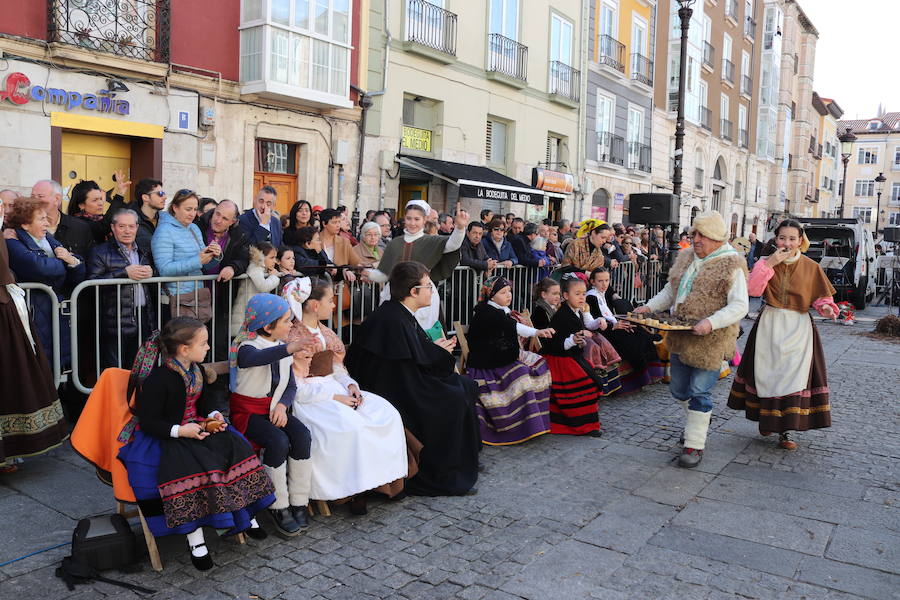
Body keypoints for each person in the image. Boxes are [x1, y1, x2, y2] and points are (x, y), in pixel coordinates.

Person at [119, 317, 274, 569]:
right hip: (169, 435)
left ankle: (245, 514)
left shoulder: (197, 370)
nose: (208, 348)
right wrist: (181, 431)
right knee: (195, 469)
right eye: (203, 343)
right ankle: (196, 540)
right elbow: (149, 422)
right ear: (184, 349)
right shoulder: (159, 379)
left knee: (238, 447)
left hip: (197, 427)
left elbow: (207, 403)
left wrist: (213, 416)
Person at [347, 261, 480, 496]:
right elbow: (402, 367)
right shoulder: (391, 318)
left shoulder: (400, 313)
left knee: (466, 385)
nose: (432, 291)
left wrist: (436, 350)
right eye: (428, 286)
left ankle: (462, 460)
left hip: (407, 379)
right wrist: (439, 353)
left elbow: (414, 351)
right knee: (455, 397)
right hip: (395, 390)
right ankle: (442, 471)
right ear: (413, 292)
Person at [283, 278, 409, 513]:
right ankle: (352, 492)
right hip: (310, 397)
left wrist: (350, 385)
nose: (334, 306)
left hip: (334, 387)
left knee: (386, 412)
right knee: (351, 426)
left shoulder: (327, 333)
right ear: (313, 305)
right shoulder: (292, 338)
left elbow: (337, 368)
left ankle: (384, 483)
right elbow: (296, 386)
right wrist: (334, 398)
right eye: (330, 300)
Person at [635, 211, 748, 468]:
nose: (695, 239)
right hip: (681, 334)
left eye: (702, 235)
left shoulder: (732, 263)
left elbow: (740, 305)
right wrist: (648, 308)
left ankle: (694, 444)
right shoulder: (687, 257)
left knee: (700, 391)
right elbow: (670, 291)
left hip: (711, 339)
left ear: (717, 238)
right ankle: (696, 422)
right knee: (679, 390)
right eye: (694, 233)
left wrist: (710, 322)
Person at [728, 220, 838, 451]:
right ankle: (766, 419)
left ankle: (785, 430)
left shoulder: (811, 267)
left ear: (800, 241)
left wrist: (826, 308)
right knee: (767, 374)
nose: (786, 243)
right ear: (775, 239)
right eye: (782, 238)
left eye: (792, 239)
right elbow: (753, 290)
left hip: (798, 327)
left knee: (792, 377)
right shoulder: (764, 263)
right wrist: (769, 264)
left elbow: (821, 298)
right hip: (770, 322)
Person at [227, 294, 315, 536]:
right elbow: (255, 360)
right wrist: (290, 348)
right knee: (278, 440)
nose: (291, 325)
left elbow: (290, 386)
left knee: (302, 436)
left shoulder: (280, 345)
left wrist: (282, 406)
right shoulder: (246, 345)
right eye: (287, 321)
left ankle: (299, 501)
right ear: (267, 326)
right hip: (248, 413)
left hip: (275, 409)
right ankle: (277, 505)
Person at [0, 195, 68, 472]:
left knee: (11, 380)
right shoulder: (11, 240)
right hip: (5, 310)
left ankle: (8, 452)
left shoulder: (8, 237)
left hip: (6, 309)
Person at [465, 276, 553, 445]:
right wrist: (537, 332)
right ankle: (516, 424)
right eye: (503, 292)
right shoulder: (486, 312)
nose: (509, 295)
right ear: (491, 295)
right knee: (522, 375)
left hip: (503, 355)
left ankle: (535, 420)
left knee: (540, 362)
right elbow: (511, 326)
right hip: (487, 363)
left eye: (509, 291)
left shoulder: (502, 310)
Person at [363, 201, 467, 340]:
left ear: (424, 220)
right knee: (394, 337)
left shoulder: (432, 241)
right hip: (393, 295)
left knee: (420, 338)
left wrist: (460, 228)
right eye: (409, 218)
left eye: (417, 219)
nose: (412, 223)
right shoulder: (395, 243)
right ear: (404, 219)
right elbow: (385, 274)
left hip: (422, 295)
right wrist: (368, 273)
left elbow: (453, 244)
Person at [5, 197, 85, 369]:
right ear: (25, 225)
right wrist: (67, 262)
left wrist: (72, 261)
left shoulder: (47, 238)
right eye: (41, 218)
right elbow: (39, 267)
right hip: (34, 312)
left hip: (54, 311)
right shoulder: (12, 242)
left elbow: (78, 268)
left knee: (60, 363)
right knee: (40, 363)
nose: (47, 223)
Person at [540, 274, 616, 436]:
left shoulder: (577, 312)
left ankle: (588, 423)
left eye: (583, 293)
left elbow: (580, 333)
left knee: (593, 380)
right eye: (577, 294)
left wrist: (578, 340)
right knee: (586, 385)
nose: (582, 297)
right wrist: (574, 340)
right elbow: (556, 343)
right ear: (566, 296)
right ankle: (584, 426)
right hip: (558, 358)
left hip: (571, 355)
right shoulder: (563, 316)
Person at [86, 209, 157, 369]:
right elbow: (91, 285)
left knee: (139, 372)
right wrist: (124, 273)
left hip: (144, 319)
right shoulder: (99, 252)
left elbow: (156, 279)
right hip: (114, 322)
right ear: (113, 227)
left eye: (131, 226)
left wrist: (154, 272)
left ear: (137, 227)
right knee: (115, 372)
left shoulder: (144, 251)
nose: (127, 231)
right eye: (122, 226)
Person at [586, 267, 662, 394]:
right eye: (600, 281)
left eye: (607, 280)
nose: (604, 284)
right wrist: (615, 326)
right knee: (631, 340)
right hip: (603, 332)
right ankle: (639, 378)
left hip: (611, 327)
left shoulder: (602, 293)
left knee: (635, 330)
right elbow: (596, 321)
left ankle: (652, 370)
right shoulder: (591, 297)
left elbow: (609, 314)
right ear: (593, 282)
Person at [152, 190, 215, 318]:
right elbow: (164, 269)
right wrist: (197, 261)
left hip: (196, 296)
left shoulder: (194, 228)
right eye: (188, 209)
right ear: (175, 208)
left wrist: (213, 254)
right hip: (175, 299)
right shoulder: (164, 231)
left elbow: (205, 265)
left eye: (195, 209)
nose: (192, 214)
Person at [30, 180, 94, 260]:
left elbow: (89, 262)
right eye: (32, 197)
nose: (34, 201)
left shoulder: (80, 228)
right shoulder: (26, 227)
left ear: (57, 199)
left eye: (40, 196)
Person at [230, 242, 282, 333]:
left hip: (253, 312)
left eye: (275, 258)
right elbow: (263, 286)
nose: (274, 261)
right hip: (245, 314)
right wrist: (274, 277)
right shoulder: (255, 268)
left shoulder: (262, 269)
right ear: (262, 257)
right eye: (271, 257)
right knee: (243, 342)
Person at [319, 208, 362, 282]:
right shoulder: (315, 240)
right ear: (324, 223)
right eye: (334, 222)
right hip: (319, 285)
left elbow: (356, 262)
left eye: (339, 222)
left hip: (339, 287)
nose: (338, 225)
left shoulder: (344, 241)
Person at [129, 178, 165, 254]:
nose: (165, 197)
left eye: (163, 193)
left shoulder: (165, 220)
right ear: (145, 197)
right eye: (160, 193)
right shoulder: (130, 221)